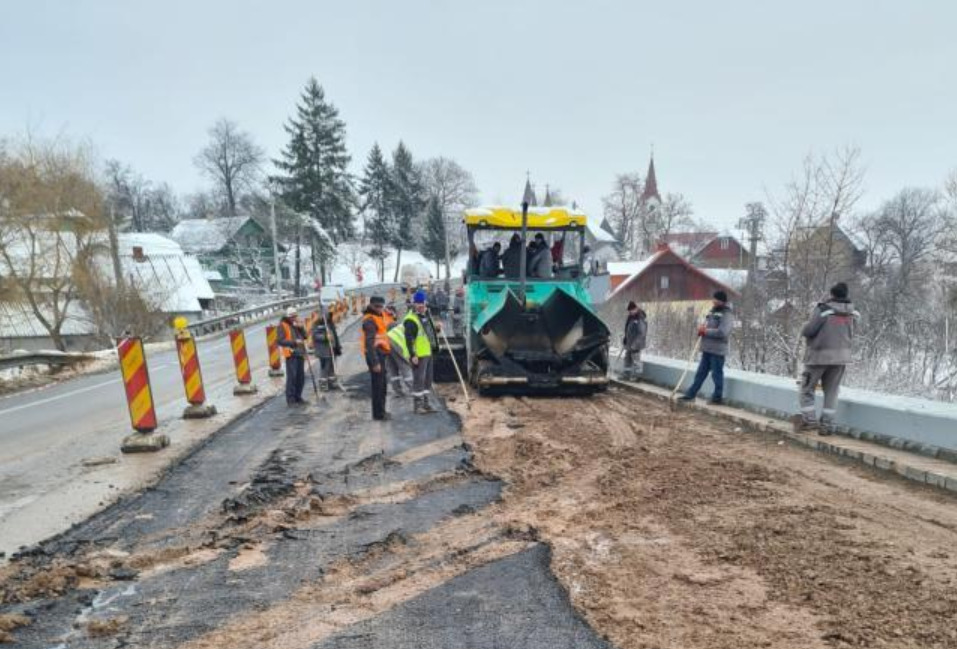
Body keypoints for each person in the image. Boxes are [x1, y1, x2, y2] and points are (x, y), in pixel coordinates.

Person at [798, 282, 859, 435]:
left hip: (819, 356)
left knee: (807, 388)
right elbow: (852, 333)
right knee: (831, 391)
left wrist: (805, 325)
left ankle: (809, 421)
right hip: (841, 358)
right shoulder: (854, 313)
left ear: (832, 294)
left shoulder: (823, 310)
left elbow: (809, 330)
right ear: (846, 295)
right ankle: (827, 425)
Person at [679, 290, 734, 405]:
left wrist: (706, 331)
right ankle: (691, 394)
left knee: (716, 374)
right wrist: (701, 330)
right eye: (713, 299)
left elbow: (723, 332)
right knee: (700, 373)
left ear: (721, 301)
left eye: (716, 300)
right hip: (707, 349)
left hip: (717, 351)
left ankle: (717, 397)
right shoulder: (712, 312)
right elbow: (706, 326)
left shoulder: (727, 314)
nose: (713, 302)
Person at [404, 289, 439, 414]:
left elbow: (427, 332)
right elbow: (409, 339)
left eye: (422, 304)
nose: (421, 306)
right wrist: (413, 355)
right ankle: (417, 405)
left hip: (428, 352)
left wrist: (437, 329)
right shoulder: (411, 320)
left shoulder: (425, 314)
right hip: (419, 354)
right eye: (418, 304)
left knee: (428, 379)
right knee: (419, 379)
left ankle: (426, 403)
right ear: (414, 304)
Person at [361, 296, 392, 421]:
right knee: (378, 387)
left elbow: (387, 321)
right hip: (375, 356)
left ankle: (381, 411)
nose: (380, 309)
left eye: (381, 306)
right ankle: (378, 414)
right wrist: (375, 363)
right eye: (378, 306)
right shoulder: (369, 320)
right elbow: (369, 343)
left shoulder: (378, 316)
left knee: (382, 385)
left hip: (381, 353)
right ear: (372, 306)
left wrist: (390, 314)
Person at [277, 307, 308, 405]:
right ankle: (291, 399)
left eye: (296, 316)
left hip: (300, 353)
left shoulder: (296, 324)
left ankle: (298, 397)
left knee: (301, 377)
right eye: (293, 316)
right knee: (292, 377)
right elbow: (280, 341)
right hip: (291, 354)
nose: (295, 318)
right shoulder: (282, 325)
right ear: (288, 317)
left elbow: (305, 336)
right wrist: (294, 342)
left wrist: (301, 327)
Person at [310, 306, 342, 390]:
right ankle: (323, 384)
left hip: (332, 348)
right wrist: (325, 337)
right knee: (325, 367)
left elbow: (334, 335)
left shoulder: (329, 323)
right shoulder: (317, 324)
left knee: (332, 366)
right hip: (323, 350)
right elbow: (315, 335)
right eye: (326, 313)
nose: (328, 315)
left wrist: (337, 345)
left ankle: (332, 383)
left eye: (328, 313)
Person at [620, 301, 648, 381]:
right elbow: (628, 329)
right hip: (629, 342)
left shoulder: (640, 318)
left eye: (631, 310)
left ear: (635, 309)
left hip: (637, 344)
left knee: (636, 360)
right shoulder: (631, 317)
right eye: (629, 311)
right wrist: (625, 338)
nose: (630, 312)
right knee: (627, 359)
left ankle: (637, 376)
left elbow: (641, 333)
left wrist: (635, 344)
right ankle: (626, 375)